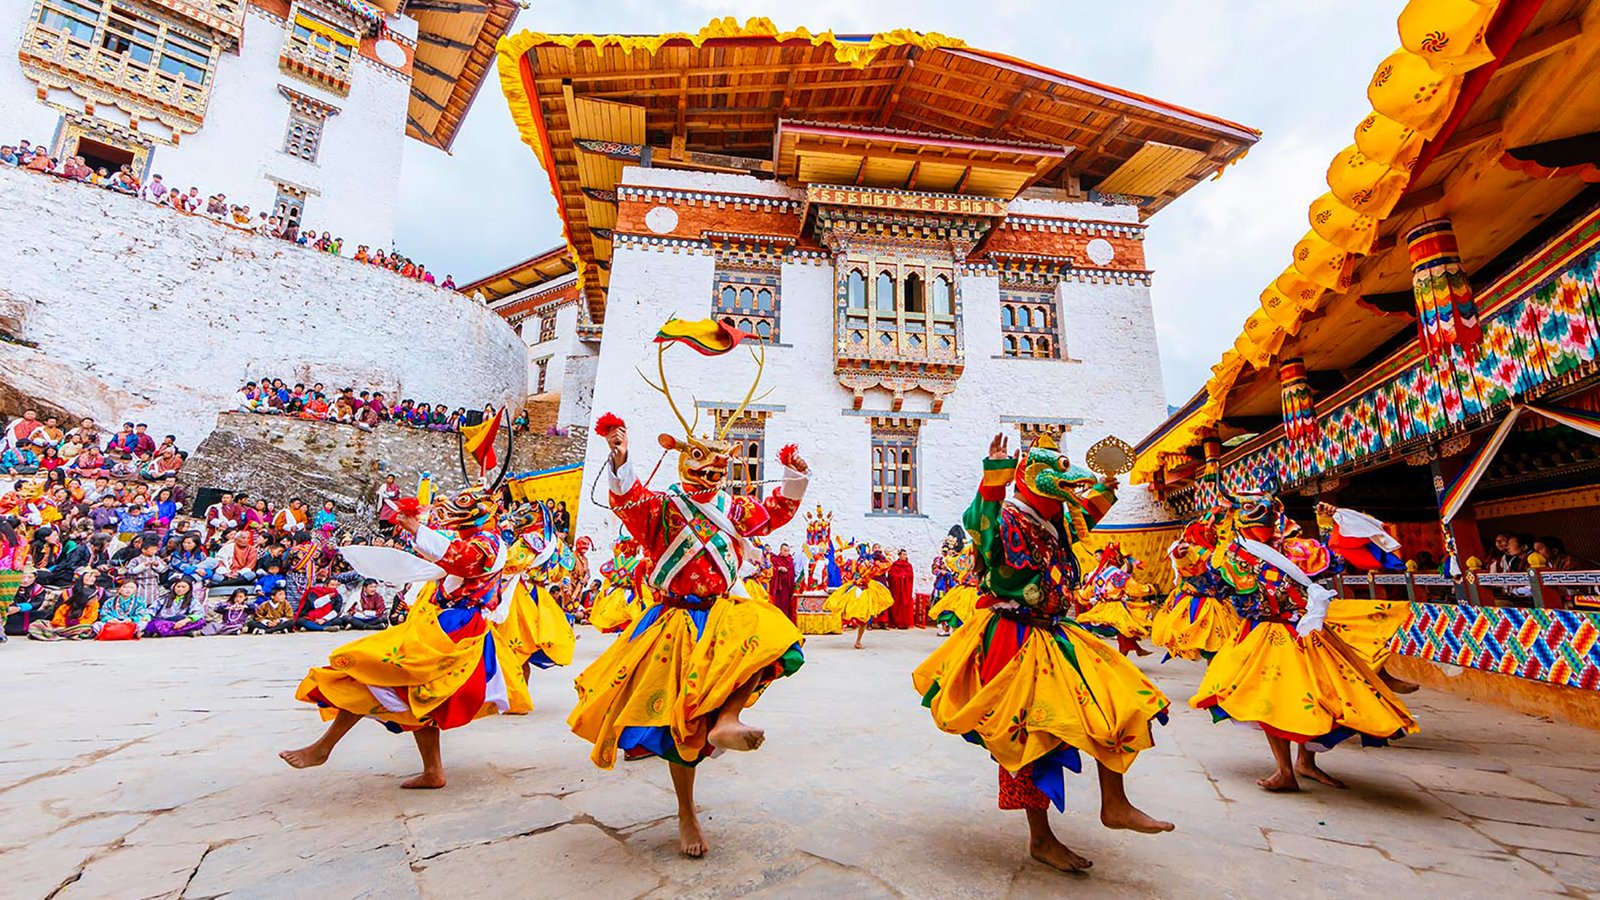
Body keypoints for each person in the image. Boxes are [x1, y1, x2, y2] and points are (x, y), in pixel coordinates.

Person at [571, 327, 809, 858]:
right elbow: (629, 502)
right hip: (676, 621)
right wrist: (621, 454)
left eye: (718, 465)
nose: (709, 471)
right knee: (682, 723)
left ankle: (730, 720)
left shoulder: (734, 508)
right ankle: (685, 812)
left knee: (781, 641)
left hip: (724, 616)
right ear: (683, 461)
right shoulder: (663, 507)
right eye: (700, 463)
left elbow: (775, 513)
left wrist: (794, 477)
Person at [913, 433, 1172, 873]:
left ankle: (1115, 803)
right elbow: (979, 522)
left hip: (1057, 631)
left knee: (1120, 700)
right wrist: (993, 473)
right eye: (1061, 474)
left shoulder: (1056, 521)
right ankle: (1042, 838)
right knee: (1032, 739)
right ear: (1032, 479)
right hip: (1012, 638)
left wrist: (1109, 482)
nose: (1074, 484)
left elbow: (1087, 511)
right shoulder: (1007, 519)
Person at [282, 483, 537, 789]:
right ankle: (432, 771)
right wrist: (416, 530)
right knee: (417, 694)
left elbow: (459, 558)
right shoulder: (472, 538)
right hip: (444, 622)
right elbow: (446, 554)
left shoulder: (489, 544)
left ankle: (324, 747)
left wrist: (417, 528)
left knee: (373, 669)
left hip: (456, 628)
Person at [1191, 492, 1418, 793]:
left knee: (1317, 696)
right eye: (1247, 510)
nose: (1254, 518)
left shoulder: (1296, 548)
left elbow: (1334, 562)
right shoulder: (1234, 555)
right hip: (1263, 634)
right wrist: (1186, 562)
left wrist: (1331, 522)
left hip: (1304, 631)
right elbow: (1215, 588)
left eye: (1259, 510)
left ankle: (1304, 763)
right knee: (1271, 701)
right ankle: (1285, 768)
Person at [1074, 543, 1159, 656]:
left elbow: (1086, 593)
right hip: (1115, 607)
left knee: (1123, 629)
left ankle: (1135, 649)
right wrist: (1149, 588)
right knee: (1125, 627)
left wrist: (1079, 595)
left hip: (1100, 607)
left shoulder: (1099, 575)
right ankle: (1122, 655)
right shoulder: (1118, 575)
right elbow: (1135, 589)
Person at [824, 545, 894, 649]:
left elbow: (840, 562)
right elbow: (886, 566)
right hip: (864, 590)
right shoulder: (872, 563)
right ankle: (858, 640)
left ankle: (851, 630)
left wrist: (839, 551)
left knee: (847, 607)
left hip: (855, 587)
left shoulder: (853, 562)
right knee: (863, 617)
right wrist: (888, 555)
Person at [29, 569, 102, 640]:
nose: (92, 579)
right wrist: (66, 623)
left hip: (82, 624)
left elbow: (91, 618)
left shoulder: (97, 596)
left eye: (94, 577)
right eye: (89, 576)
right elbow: (58, 615)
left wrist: (76, 623)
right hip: (65, 621)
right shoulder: (67, 594)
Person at [886, 548, 916, 629]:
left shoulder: (908, 565)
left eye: (906, 555)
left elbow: (911, 576)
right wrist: (899, 578)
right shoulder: (895, 565)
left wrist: (904, 578)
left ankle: (904, 623)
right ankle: (895, 622)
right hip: (896, 589)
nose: (905, 556)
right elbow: (891, 576)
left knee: (905, 604)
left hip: (906, 589)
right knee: (896, 604)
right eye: (903, 554)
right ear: (899, 555)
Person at [768, 542, 797, 624]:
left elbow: (792, 574)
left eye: (787, 551)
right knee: (778, 605)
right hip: (778, 588)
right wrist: (779, 569)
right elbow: (771, 571)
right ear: (780, 550)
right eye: (784, 550)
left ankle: (786, 622)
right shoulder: (775, 560)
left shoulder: (790, 561)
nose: (786, 552)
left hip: (787, 588)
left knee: (786, 606)